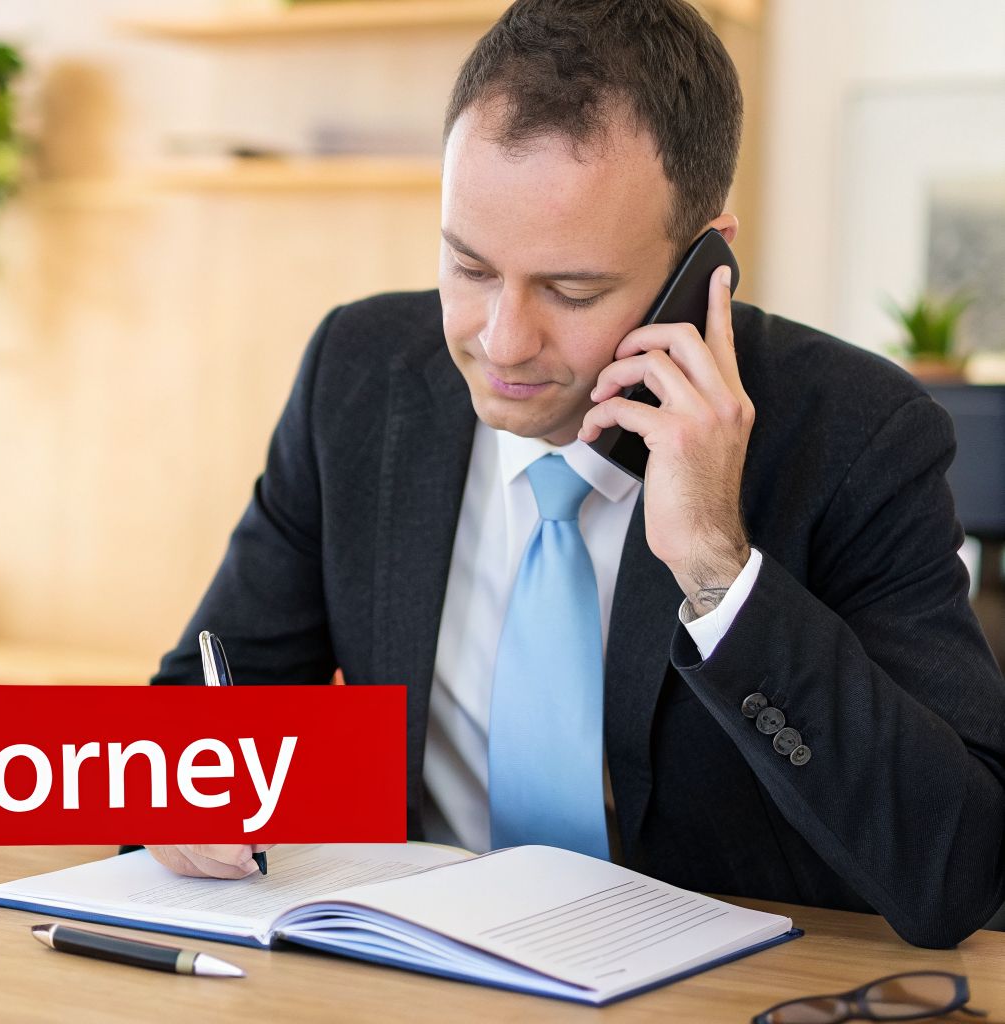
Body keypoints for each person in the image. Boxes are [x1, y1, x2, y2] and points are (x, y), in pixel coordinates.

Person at [146, 0, 1005, 949]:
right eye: (470, 267)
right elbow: (203, 704)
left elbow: (958, 871)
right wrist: (181, 791)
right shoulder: (360, 373)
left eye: (572, 289)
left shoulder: (859, 434)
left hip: (714, 997)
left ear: (706, 265)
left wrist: (719, 572)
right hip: (413, 970)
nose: (503, 340)